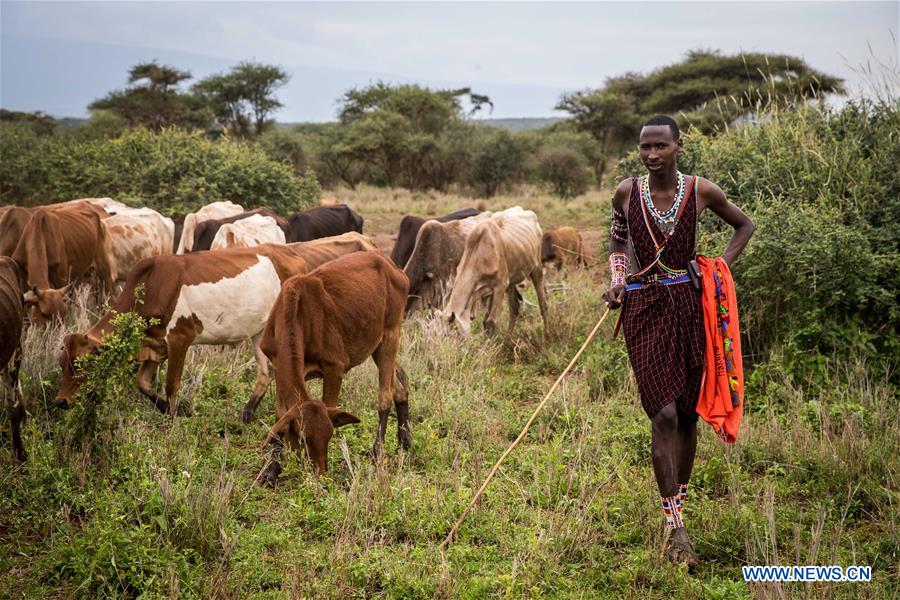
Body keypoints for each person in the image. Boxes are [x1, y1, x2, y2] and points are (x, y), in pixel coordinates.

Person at [603, 115, 755, 567]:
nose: (651, 155)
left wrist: (717, 267)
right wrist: (617, 280)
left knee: (688, 414)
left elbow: (744, 226)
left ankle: (675, 512)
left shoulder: (701, 192)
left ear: (678, 146)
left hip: (691, 307)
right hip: (643, 309)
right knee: (663, 413)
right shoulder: (626, 192)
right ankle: (677, 529)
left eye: (660, 146)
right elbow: (617, 243)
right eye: (644, 147)